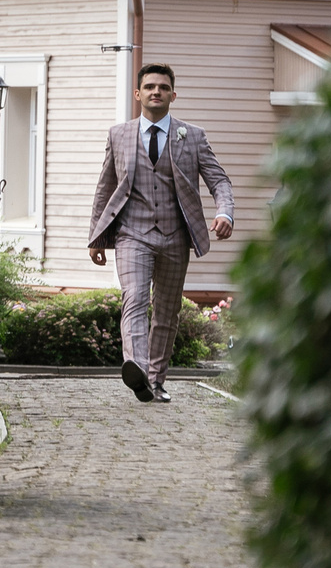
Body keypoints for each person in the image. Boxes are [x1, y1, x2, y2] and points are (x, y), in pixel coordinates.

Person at [87, 65, 232, 403]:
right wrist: (96, 236)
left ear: (172, 95)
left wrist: (224, 211)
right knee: (135, 297)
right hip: (131, 233)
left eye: (163, 87)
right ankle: (135, 367)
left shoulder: (192, 136)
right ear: (137, 94)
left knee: (167, 310)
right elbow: (105, 187)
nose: (156, 91)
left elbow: (219, 181)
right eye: (149, 86)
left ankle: (155, 380)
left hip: (175, 235)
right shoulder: (119, 134)